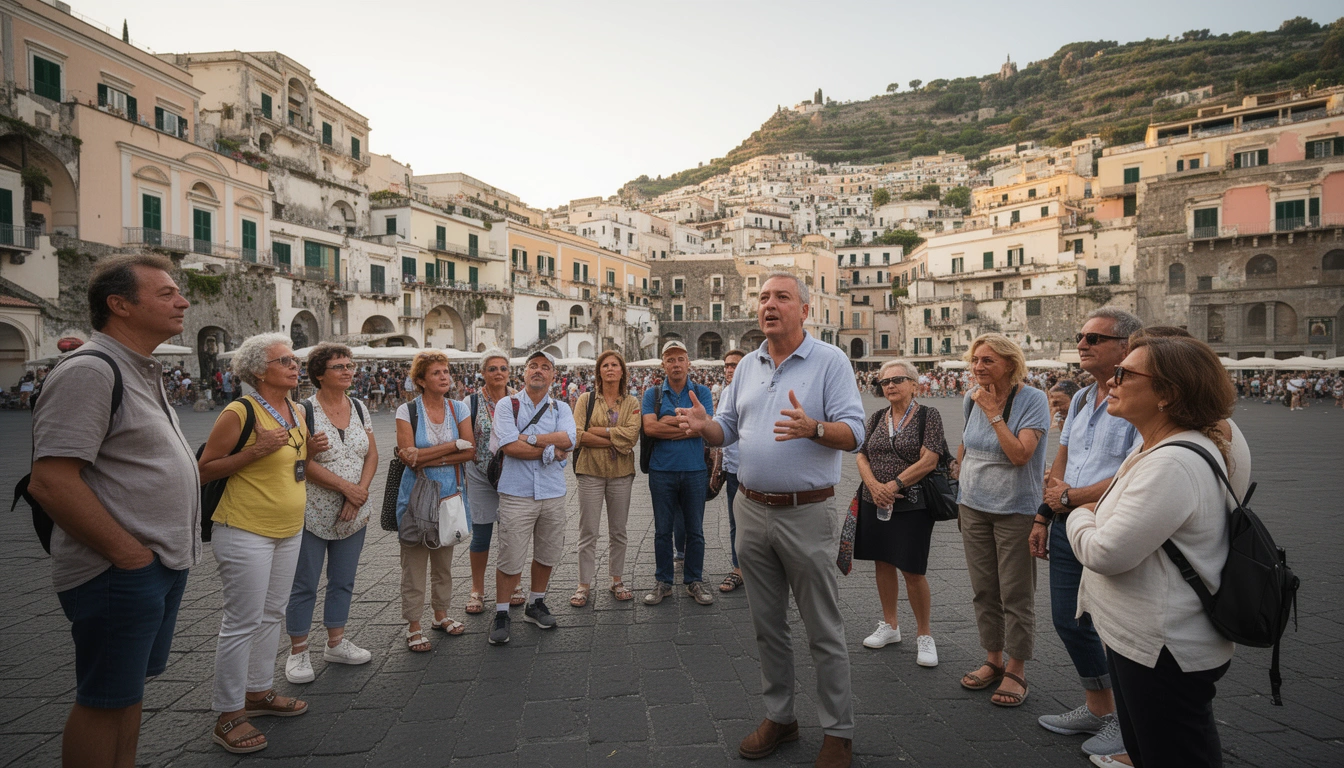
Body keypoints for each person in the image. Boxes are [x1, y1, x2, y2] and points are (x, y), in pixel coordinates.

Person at [677, 271, 865, 767]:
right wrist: (706, 429)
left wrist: (815, 428)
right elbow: (730, 429)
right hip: (751, 508)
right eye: (763, 297)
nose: (769, 305)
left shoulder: (830, 362)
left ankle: (838, 732)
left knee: (823, 627)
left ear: (804, 309)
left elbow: (856, 432)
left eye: (782, 297)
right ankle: (781, 717)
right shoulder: (749, 366)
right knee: (767, 625)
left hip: (808, 513)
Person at [28, 254, 199, 768]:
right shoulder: (90, 370)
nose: (182, 301)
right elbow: (51, 481)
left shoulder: (140, 368)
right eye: (166, 293)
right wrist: (128, 555)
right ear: (119, 305)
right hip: (118, 569)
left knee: (124, 693)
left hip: (155, 566)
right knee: (103, 699)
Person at [1068, 335, 1241, 768]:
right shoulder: (1160, 448)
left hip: (1164, 648)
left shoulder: (1172, 463)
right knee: (1152, 750)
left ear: (1168, 393)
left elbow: (1106, 551)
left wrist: (1072, 513)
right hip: (1145, 641)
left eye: (1125, 374)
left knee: (1174, 754)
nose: (1112, 380)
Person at [199, 333, 326, 753]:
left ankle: (257, 692)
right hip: (244, 528)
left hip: (288, 526)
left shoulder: (295, 409)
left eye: (294, 359)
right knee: (241, 621)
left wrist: (310, 447)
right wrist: (253, 452)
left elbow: (296, 461)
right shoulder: (241, 410)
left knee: (273, 612)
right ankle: (228, 714)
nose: (295, 365)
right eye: (284, 360)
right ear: (258, 370)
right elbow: (204, 470)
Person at [1029, 309, 1143, 757]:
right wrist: (1046, 511)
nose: (1083, 343)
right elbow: (1064, 457)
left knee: (1116, 627)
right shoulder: (1078, 399)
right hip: (1066, 521)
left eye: (1095, 338)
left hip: (1111, 523)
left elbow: (1133, 471)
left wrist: (1069, 498)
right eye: (1081, 336)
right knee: (1068, 620)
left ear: (1125, 346)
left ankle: (1128, 721)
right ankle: (1099, 707)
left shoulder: (1136, 398)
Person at [953, 333, 1050, 708]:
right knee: (984, 588)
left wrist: (994, 412)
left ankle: (1016, 668)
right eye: (975, 360)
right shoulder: (970, 397)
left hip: (1015, 509)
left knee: (1016, 592)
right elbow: (966, 441)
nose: (978, 367)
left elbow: (1021, 454)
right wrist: (960, 473)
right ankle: (993, 659)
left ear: (1010, 363)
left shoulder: (1033, 400)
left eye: (987, 361)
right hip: (972, 505)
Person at [284, 343, 378, 683]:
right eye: (339, 366)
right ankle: (298, 651)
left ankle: (335, 642)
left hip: (354, 509)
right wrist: (346, 488)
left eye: (350, 365)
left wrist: (359, 493)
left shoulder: (359, 406)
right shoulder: (302, 410)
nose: (348, 370)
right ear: (319, 374)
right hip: (314, 509)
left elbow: (371, 455)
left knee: (344, 579)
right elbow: (299, 462)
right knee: (304, 583)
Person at [853, 359, 943, 668]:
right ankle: (890, 625)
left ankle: (924, 634)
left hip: (911, 501)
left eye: (898, 380)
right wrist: (875, 486)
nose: (890, 385)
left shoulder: (927, 416)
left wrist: (894, 484)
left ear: (915, 385)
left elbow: (930, 460)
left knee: (912, 569)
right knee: (882, 562)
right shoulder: (878, 416)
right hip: (874, 500)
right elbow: (861, 455)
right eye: (885, 382)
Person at [488, 350, 576, 645]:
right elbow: (510, 446)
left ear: (553, 375)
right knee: (510, 554)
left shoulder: (561, 407)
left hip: (552, 492)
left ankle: (535, 602)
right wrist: (552, 450)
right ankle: (502, 612)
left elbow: (570, 440)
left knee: (547, 552)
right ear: (523, 373)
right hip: (516, 492)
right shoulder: (506, 405)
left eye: (545, 367)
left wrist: (533, 439)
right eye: (533, 366)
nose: (538, 371)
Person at [395, 351, 475, 652]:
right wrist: (452, 446)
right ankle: (413, 624)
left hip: (451, 493)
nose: (445, 377)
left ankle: (440, 614)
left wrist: (430, 454)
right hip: (417, 495)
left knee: (444, 562)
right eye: (437, 373)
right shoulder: (408, 411)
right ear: (420, 380)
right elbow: (407, 455)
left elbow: (470, 452)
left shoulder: (458, 409)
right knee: (414, 565)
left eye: (446, 371)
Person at [641, 340, 716, 606]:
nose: (676, 364)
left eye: (680, 359)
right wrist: (685, 424)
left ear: (688, 363)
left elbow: (703, 426)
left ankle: (694, 580)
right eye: (670, 359)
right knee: (662, 530)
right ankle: (664, 581)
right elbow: (650, 429)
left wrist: (667, 420)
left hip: (695, 470)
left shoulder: (702, 392)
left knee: (695, 530)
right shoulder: (652, 394)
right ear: (663, 364)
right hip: (661, 471)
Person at [572, 350, 642, 606]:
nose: (610, 369)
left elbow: (632, 437)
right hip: (589, 470)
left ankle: (617, 579)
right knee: (588, 531)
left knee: (618, 531)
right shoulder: (585, 400)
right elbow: (578, 435)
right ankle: (583, 584)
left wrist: (599, 432)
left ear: (622, 371)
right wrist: (615, 436)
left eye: (615, 365)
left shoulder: (632, 403)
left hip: (621, 473)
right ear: (599, 371)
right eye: (605, 365)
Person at [462, 349, 524, 614]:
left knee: (513, 534)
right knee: (482, 535)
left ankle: (514, 585)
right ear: (483, 373)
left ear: (510, 372)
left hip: (513, 473)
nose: (498, 373)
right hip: (479, 474)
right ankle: (477, 589)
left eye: (503, 368)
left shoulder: (519, 400)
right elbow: (466, 439)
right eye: (492, 369)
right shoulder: (470, 402)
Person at [717, 348, 747, 593]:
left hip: (755, 468)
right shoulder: (727, 392)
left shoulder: (752, 390)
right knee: (736, 521)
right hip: (733, 467)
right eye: (727, 365)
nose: (729, 369)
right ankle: (738, 569)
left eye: (735, 365)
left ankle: (761, 570)